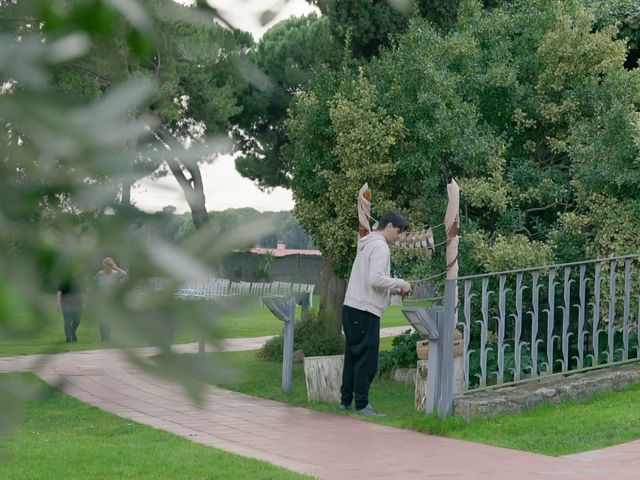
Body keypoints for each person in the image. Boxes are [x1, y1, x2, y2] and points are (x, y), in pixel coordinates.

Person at [340, 210, 412, 417]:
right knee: (366, 360)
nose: (398, 237)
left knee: (352, 356)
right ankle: (362, 405)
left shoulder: (366, 243)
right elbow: (375, 278)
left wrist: (395, 289)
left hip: (351, 306)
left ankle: (345, 402)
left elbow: (371, 280)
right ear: (389, 227)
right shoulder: (381, 247)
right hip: (365, 310)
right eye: (398, 232)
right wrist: (402, 283)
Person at [95, 257, 127, 341]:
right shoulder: (100, 274)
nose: (106, 267)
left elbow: (124, 274)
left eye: (109, 265)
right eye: (105, 265)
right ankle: (104, 338)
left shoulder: (116, 274)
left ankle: (108, 337)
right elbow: (96, 286)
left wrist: (116, 268)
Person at [57, 266, 83, 343]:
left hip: (77, 302)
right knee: (67, 320)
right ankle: (68, 338)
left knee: (77, 320)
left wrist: (84, 301)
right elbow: (59, 291)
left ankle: (72, 332)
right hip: (66, 302)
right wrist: (58, 302)